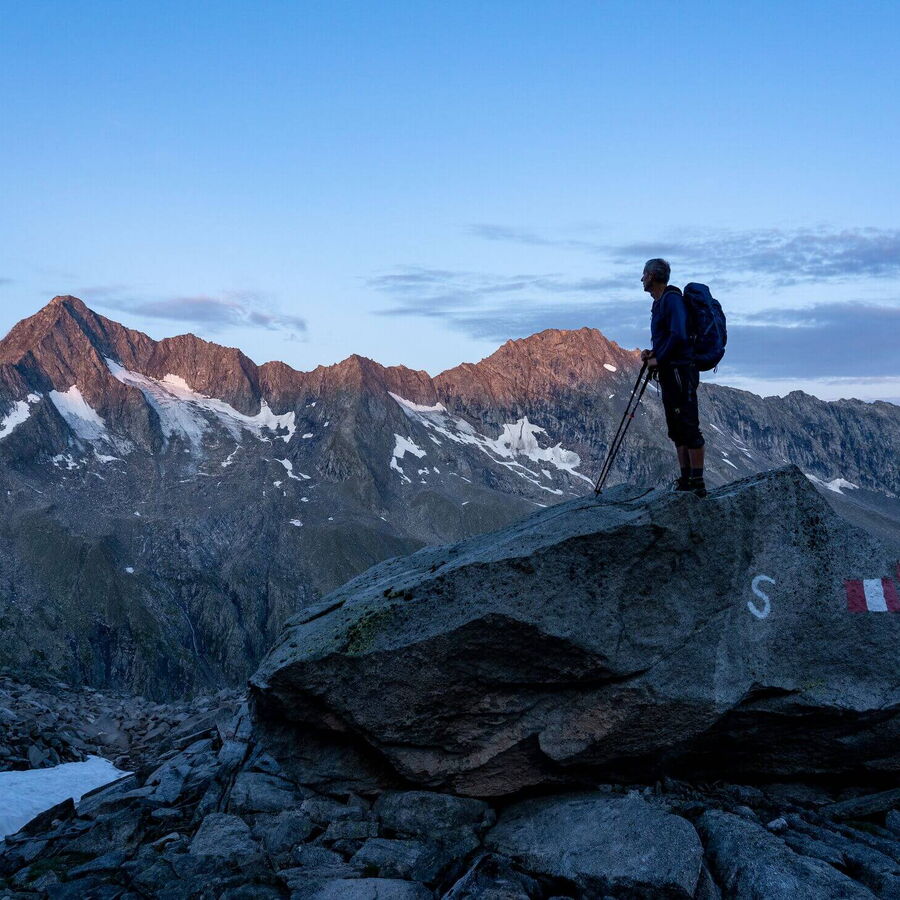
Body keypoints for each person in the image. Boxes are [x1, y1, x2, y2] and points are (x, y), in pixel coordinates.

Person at [639, 258, 706, 497]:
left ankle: (697, 483)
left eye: (645, 274)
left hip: (680, 371)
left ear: (654, 277)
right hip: (671, 371)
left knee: (688, 424)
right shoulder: (659, 304)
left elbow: (679, 335)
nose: (642, 279)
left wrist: (659, 359)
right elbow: (669, 337)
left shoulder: (672, 300)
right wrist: (653, 352)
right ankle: (686, 479)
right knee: (676, 428)